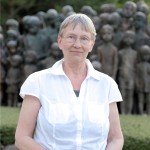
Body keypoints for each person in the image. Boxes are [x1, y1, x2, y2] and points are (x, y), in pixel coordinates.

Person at [15, 13, 124, 150]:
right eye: (71, 37)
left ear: (92, 44)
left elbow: (116, 138)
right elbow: (22, 138)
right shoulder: (37, 82)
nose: (77, 44)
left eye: (84, 39)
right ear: (60, 41)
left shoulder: (107, 85)